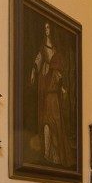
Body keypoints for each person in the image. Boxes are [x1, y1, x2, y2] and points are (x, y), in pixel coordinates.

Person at [30, 21, 69, 166]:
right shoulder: (43, 48)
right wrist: (33, 71)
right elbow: (38, 60)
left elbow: (59, 73)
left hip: (54, 90)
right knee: (47, 121)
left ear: (51, 30)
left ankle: (55, 154)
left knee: (55, 123)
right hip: (45, 85)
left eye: (48, 27)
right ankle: (47, 153)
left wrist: (62, 87)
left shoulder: (56, 50)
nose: (46, 30)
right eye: (44, 28)